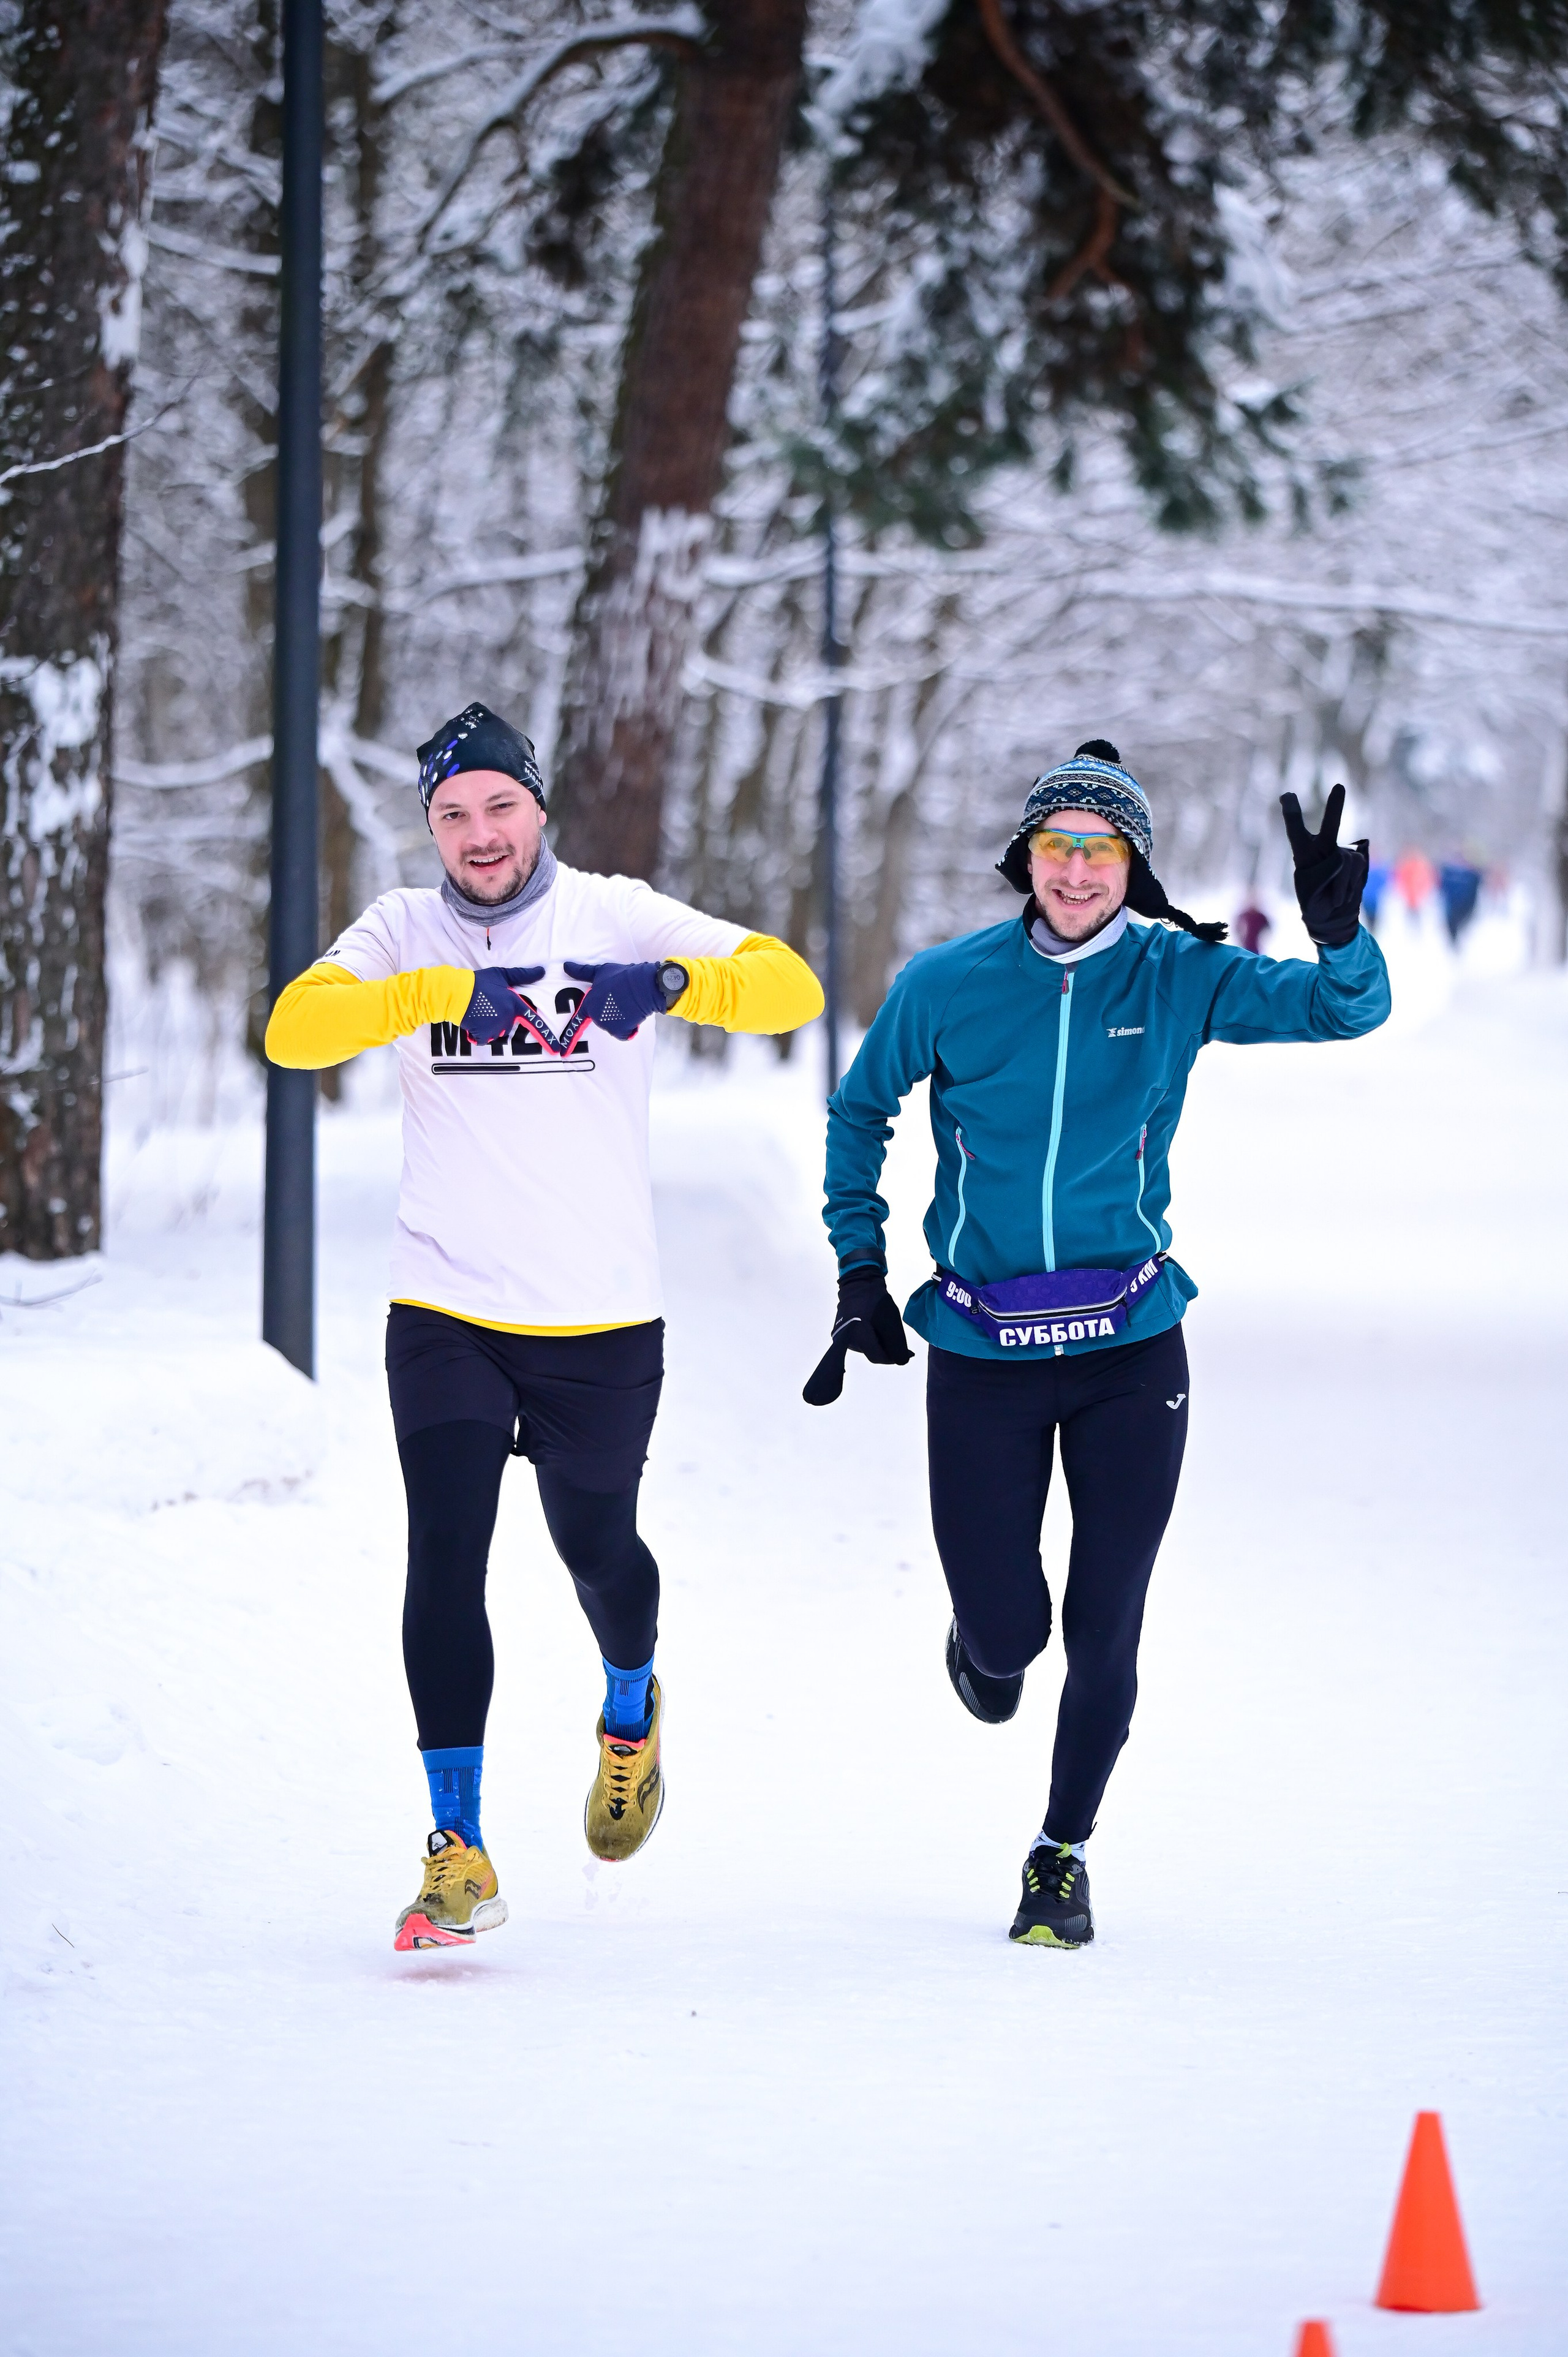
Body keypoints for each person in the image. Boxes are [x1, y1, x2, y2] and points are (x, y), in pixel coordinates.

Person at [806, 741, 1389, 1948]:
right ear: (1025, 860)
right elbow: (859, 1110)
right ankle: (982, 1646)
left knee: (1104, 1618)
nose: (1077, 869)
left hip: (1129, 1347)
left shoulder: (1178, 977)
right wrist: (859, 1265)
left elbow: (1349, 1010)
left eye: (1102, 847)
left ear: (1131, 865)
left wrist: (1340, 932)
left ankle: (1058, 1853)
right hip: (981, 1349)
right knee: (1008, 1635)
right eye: (1059, 846)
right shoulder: (947, 984)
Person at [266, 702, 822, 1950]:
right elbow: (294, 1030)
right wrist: (429, 990)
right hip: (447, 1307)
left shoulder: (611, 910)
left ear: (537, 810)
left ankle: (630, 1711)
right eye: (452, 815)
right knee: (443, 1555)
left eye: (497, 807)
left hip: (600, 1318)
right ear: (431, 829)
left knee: (596, 1550)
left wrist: (670, 980)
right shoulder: (400, 930)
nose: (477, 834)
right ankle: (456, 1849)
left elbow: (786, 987)